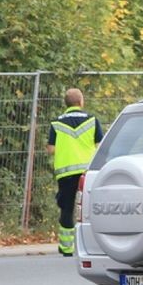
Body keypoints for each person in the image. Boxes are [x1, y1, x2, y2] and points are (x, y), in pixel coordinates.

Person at [45, 88, 103, 257]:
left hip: (66, 172)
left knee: (67, 208)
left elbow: (51, 149)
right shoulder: (92, 120)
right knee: (93, 207)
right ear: (81, 101)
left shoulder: (56, 123)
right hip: (88, 172)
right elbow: (100, 144)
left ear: (66, 103)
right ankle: (96, 245)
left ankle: (67, 247)